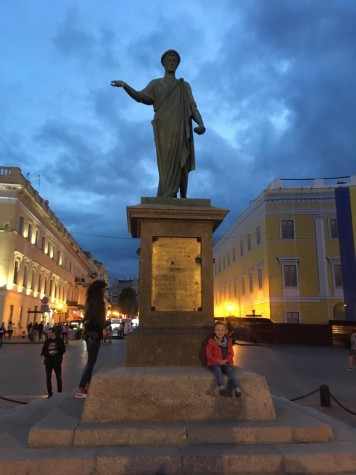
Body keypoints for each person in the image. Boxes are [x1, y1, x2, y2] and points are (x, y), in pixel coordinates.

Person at [111, 49, 205, 199]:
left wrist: (201, 123)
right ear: (163, 63)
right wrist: (125, 85)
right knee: (166, 163)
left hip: (181, 127)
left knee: (182, 159)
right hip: (163, 130)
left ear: (178, 64)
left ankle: (183, 198)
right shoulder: (156, 84)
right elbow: (140, 96)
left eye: (174, 60)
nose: (172, 63)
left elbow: (192, 107)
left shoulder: (184, 86)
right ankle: (168, 195)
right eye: (169, 60)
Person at [75, 280, 107, 398]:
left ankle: (87, 386)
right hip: (94, 332)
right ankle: (81, 388)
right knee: (91, 362)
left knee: (91, 361)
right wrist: (103, 328)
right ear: (100, 289)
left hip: (89, 331)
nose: (104, 291)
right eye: (104, 289)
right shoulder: (98, 301)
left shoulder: (90, 300)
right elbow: (99, 316)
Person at [206, 321, 242, 398]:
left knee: (230, 372)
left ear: (225, 331)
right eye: (218, 330)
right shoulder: (211, 342)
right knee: (218, 371)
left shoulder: (228, 342)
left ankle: (237, 388)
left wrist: (225, 361)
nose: (220, 332)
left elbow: (231, 354)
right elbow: (209, 355)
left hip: (226, 362)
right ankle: (221, 387)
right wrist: (218, 361)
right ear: (214, 331)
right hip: (215, 363)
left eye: (222, 330)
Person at [41, 327, 66, 399]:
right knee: (48, 378)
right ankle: (50, 393)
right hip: (48, 362)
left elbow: (63, 350)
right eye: (48, 333)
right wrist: (44, 354)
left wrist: (57, 352)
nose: (48, 334)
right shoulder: (47, 341)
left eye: (49, 332)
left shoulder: (59, 340)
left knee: (58, 377)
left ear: (53, 333)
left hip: (56, 362)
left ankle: (59, 393)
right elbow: (44, 349)